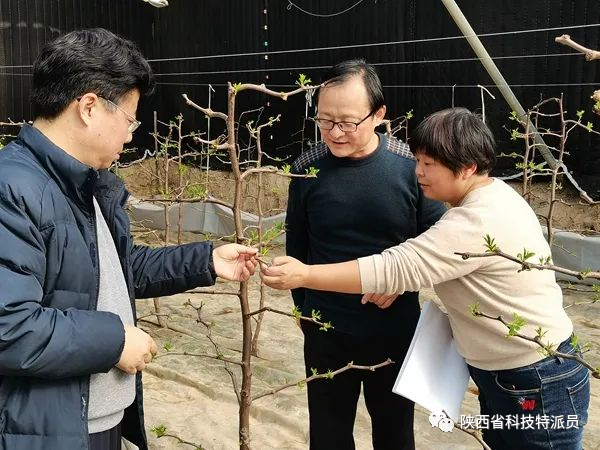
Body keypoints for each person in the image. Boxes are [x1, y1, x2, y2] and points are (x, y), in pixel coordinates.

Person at [262, 107, 590, 450]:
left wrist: (306, 274)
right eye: (418, 161)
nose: (417, 173)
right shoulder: (490, 197)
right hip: (515, 375)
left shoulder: (476, 220)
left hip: (535, 379)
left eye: (428, 165)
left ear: (467, 168)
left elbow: (398, 265)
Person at [0, 28, 257, 450]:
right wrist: (115, 339)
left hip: (94, 421)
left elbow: (118, 270)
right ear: (88, 107)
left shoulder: (84, 182)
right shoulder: (14, 187)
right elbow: (8, 325)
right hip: (50, 430)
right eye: (129, 119)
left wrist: (208, 261)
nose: (131, 134)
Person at [284, 59, 446, 450]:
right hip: (326, 328)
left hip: (393, 329)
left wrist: (402, 279)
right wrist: (307, 312)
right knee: (328, 433)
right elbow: (298, 244)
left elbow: (439, 241)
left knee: (394, 433)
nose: (334, 133)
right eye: (324, 121)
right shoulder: (308, 169)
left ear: (378, 115)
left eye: (347, 122)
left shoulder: (411, 168)